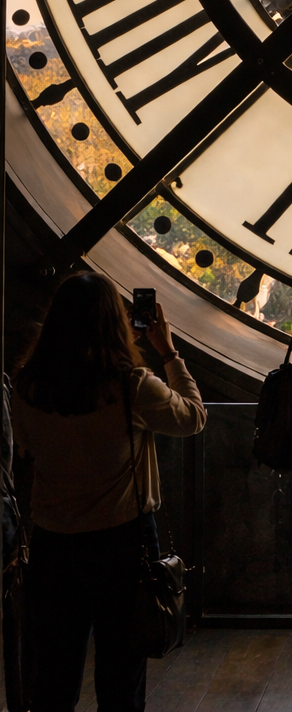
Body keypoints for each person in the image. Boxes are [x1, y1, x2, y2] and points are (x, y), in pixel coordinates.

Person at [12, 273, 206, 712]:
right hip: (122, 544)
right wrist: (169, 353)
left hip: (53, 543)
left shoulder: (27, 386)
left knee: (54, 674)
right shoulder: (131, 386)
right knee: (121, 675)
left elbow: (25, 448)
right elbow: (193, 417)